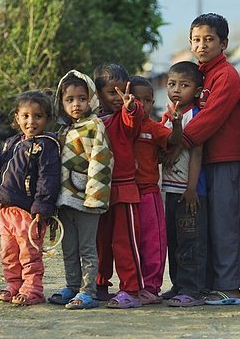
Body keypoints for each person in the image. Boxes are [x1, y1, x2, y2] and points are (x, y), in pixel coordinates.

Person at [177, 13, 240, 305]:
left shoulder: (226, 76)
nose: (201, 45)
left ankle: (230, 287)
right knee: (206, 225)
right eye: (196, 39)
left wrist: (175, 143)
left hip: (225, 159)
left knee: (225, 223)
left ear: (224, 43)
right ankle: (208, 284)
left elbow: (210, 118)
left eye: (209, 39)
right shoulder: (202, 75)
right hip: (204, 159)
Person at [0, 90, 61, 306]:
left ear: (47, 119)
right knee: (8, 253)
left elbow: (48, 178)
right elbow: (1, 168)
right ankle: (14, 284)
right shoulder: (13, 142)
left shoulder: (46, 145)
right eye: (25, 116)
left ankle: (33, 288)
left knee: (29, 253)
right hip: (6, 211)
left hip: (28, 212)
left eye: (38, 116)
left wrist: (42, 207)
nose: (31, 122)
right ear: (17, 118)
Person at [46, 70, 113, 309]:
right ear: (61, 102)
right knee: (69, 246)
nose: (76, 104)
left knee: (86, 248)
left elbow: (101, 161)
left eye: (81, 98)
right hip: (64, 200)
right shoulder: (63, 131)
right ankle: (72, 286)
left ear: (91, 99)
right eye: (70, 99)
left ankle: (88, 291)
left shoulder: (95, 126)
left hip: (87, 200)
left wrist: (95, 198)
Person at [93, 63, 145, 309]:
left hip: (124, 189)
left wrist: (130, 107)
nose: (118, 97)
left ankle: (130, 289)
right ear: (99, 93)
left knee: (124, 242)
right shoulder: (92, 121)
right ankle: (99, 284)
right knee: (99, 241)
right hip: (98, 190)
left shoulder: (126, 115)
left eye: (122, 91)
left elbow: (133, 123)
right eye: (111, 92)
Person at [159, 61, 210, 307]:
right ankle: (178, 284)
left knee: (191, 241)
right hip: (169, 189)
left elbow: (197, 154)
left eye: (184, 85)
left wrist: (191, 189)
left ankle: (193, 289)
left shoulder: (196, 116)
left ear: (197, 91)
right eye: (172, 84)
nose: (177, 90)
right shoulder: (167, 116)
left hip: (189, 192)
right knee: (174, 240)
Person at [130, 76, 182, 305]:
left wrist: (177, 123)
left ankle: (151, 287)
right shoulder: (121, 125)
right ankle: (131, 285)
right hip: (125, 193)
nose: (142, 105)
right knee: (130, 242)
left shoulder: (153, 128)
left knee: (153, 242)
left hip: (149, 193)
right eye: (136, 99)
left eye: (147, 100)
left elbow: (172, 140)